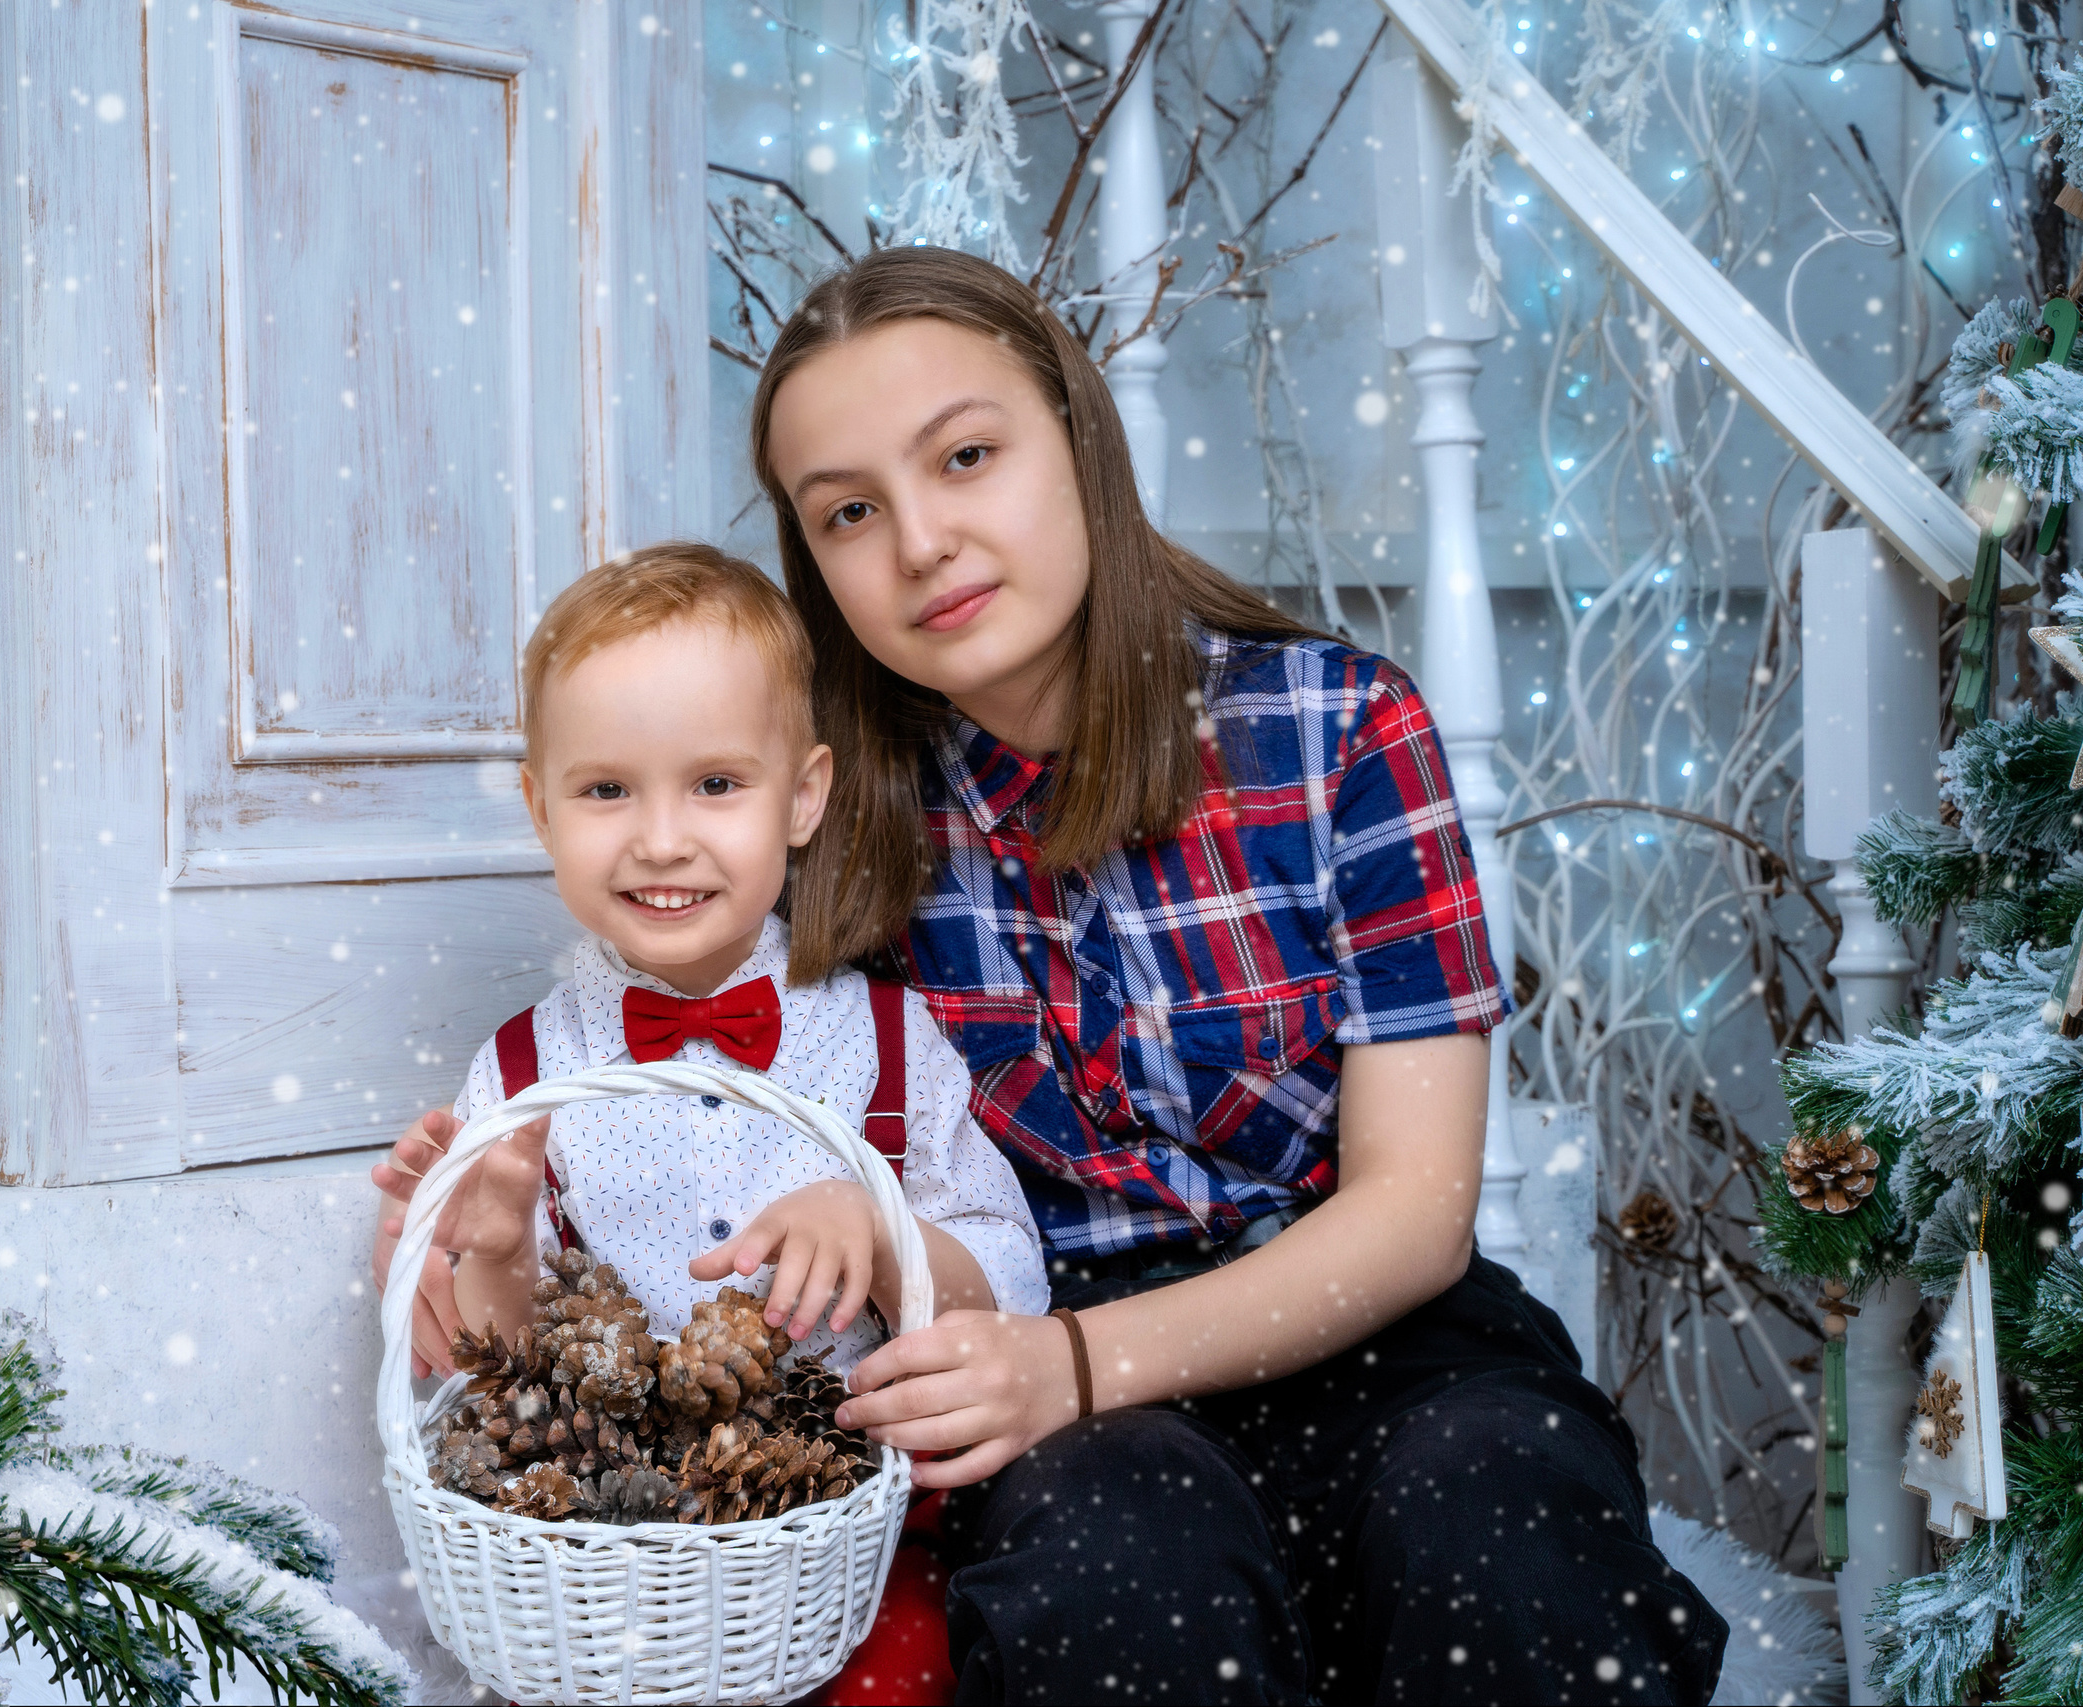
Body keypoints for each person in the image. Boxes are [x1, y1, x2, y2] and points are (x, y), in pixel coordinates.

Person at [378, 250, 1727, 1705]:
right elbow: (711, 1093)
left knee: (1506, 1525)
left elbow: (1414, 1214)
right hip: (1034, 1355)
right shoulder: (837, 806)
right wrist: (499, 1225)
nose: (921, 542)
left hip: (1372, 1331)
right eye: (848, 510)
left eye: (966, 455)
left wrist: (1079, 1361)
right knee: (1109, 1579)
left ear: (1079, 436)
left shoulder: (1337, 729)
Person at [371, 542, 1046, 1377]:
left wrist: (880, 1228)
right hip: (615, 1506)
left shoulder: (889, 1040)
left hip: (848, 1496)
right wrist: (502, 1251)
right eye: (607, 790)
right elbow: (495, 1380)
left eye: (716, 784)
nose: (660, 843)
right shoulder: (518, 1081)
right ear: (542, 811)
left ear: (802, 799)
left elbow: (1015, 1287)